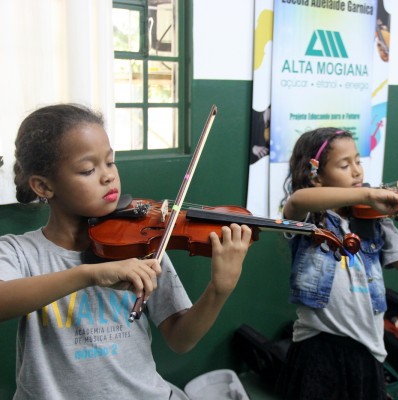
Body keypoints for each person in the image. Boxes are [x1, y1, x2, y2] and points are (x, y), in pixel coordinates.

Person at [0, 104, 253, 400]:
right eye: (88, 169)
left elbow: (181, 339)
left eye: (110, 162)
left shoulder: (143, 244)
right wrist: (88, 274)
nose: (108, 177)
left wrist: (219, 290)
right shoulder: (19, 252)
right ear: (43, 186)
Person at [276, 127, 398, 400]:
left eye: (358, 161)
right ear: (316, 176)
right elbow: (297, 199)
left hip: (368, 349)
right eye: (345, 165)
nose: (357, 172)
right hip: (317, 347)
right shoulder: (310, 220)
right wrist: (367, 195)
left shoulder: (375, 220)